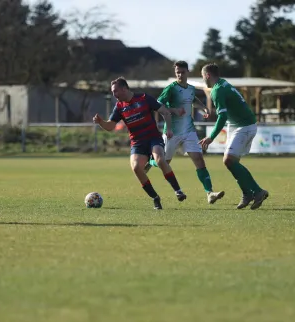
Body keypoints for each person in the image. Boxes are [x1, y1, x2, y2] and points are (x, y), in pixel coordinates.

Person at [93, 77, 187, 210]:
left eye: (116, 91)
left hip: (153, 137)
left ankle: (178, 191)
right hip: (137, 142)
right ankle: (155, 198)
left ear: (124, 89)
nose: (114, 95)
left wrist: (170, 128)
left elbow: (165, 112)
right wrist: (101, 122)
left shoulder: (144, 98)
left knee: (160, 159)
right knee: (136, 168)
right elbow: (110, 126)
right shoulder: (119, 107)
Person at [146, 60, 225, 204]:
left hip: (189, 131)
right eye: (178, 72)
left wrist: (204, 108)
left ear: (188, 72)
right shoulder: (171, 88)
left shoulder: (191, 88)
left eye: (182, 72)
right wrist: (174, 110)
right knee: (164, 162)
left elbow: (192, 99)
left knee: (199, 159)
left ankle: (209, 193)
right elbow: (157, 105)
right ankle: (150, 161)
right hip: (172, 132)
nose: (180, 75)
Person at [198, 63, 269, 210]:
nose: (202, 79)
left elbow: (222, 117)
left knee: (229, 160)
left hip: (244, 126)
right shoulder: (223, 83)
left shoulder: (217, 91)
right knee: (232, 162)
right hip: (237, 124)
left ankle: (257, 191)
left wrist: (211, 137)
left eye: (202, 76)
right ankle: (247, 194)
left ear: (207, 75)